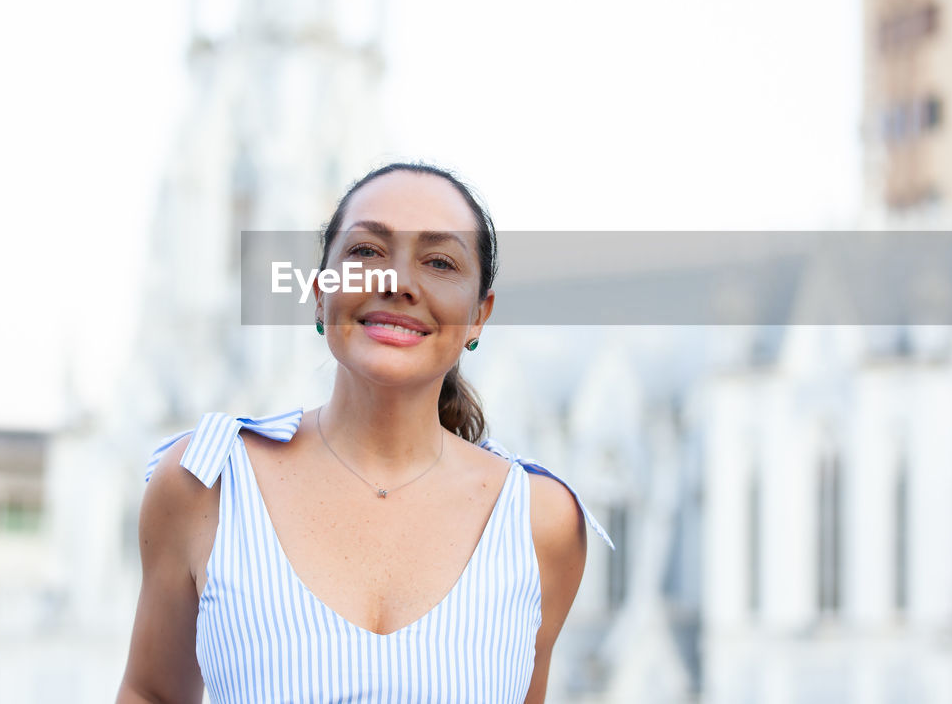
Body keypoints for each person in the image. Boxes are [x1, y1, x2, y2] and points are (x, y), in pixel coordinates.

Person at [117, 161, 615, 703]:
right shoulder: (205, 482)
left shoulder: (541, 520)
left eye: (440, 261)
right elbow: (152, 693)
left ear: (479, 316)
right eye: (366, 252)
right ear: (318, 292)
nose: (397, 282)